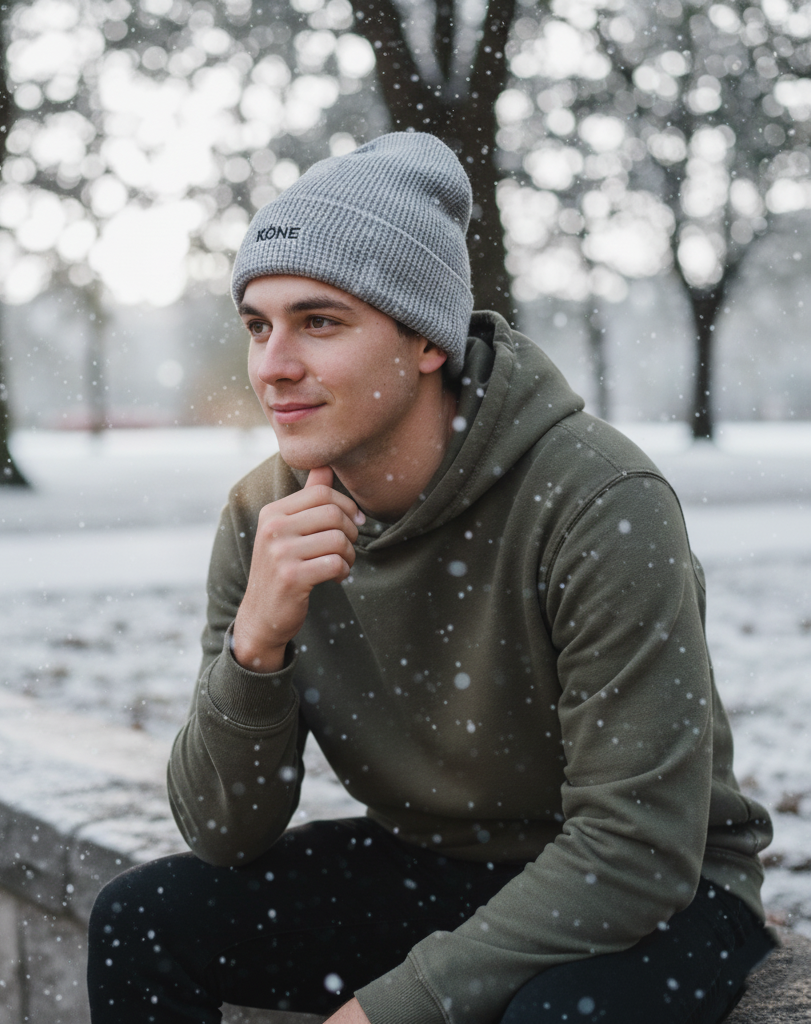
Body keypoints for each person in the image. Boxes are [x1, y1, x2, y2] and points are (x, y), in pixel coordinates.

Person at [88, 132, 775, 1024]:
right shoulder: (265, 517)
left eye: (319, 322)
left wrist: (398, 1007)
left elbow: (636, 847)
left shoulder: (599, 500)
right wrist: (256, 645)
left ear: (425, 342)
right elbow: (222, 830)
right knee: (140, 922)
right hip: (435, 867)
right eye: (258, 325)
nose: (273, 365)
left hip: (659, 892)